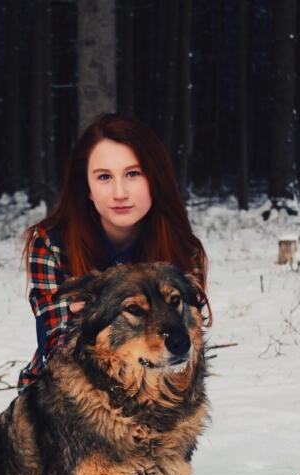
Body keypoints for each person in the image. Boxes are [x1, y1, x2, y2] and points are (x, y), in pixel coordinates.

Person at [17, 113, 209, 393]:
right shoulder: (52, 244)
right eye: (104, 177)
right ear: (87, 187)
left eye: (133, 174)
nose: (120, 193)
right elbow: (56, 347)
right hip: (68, 395)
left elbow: (190, 335)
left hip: (163, 393)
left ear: (154, 179)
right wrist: (85, 323)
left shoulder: (181, 246)